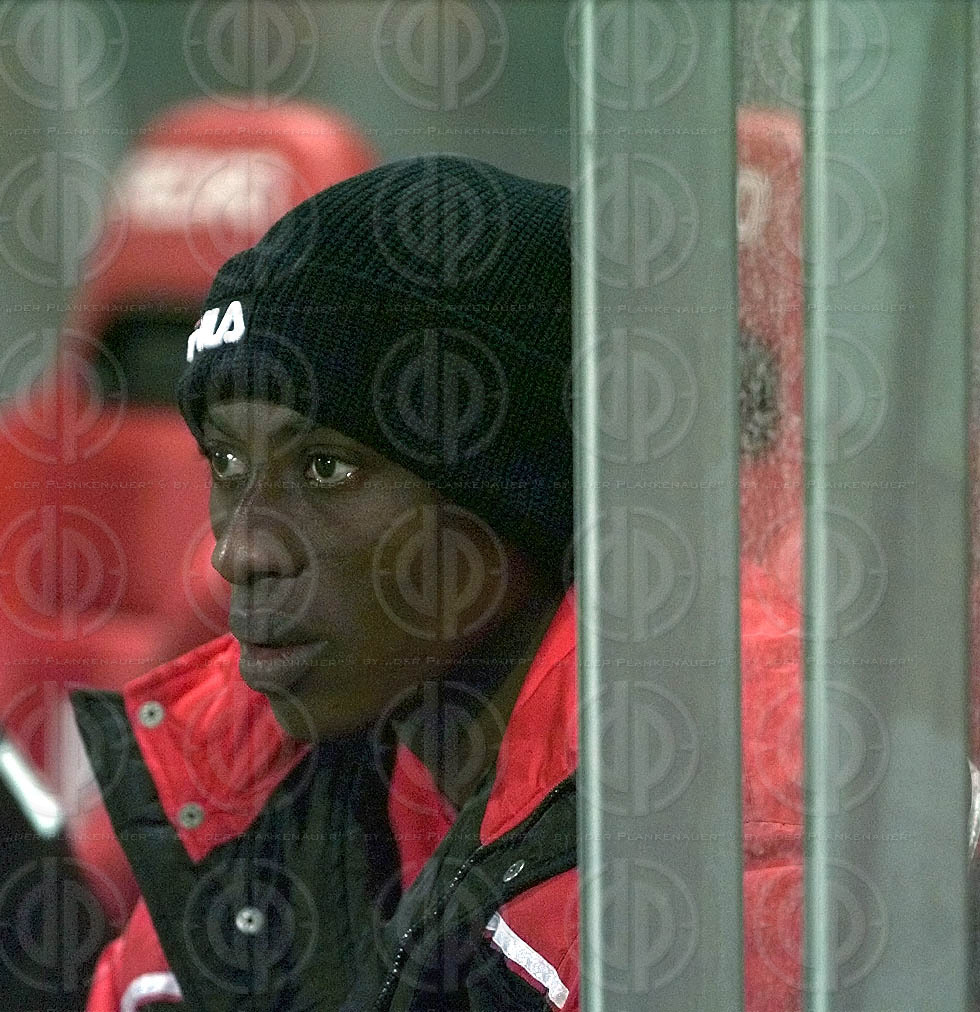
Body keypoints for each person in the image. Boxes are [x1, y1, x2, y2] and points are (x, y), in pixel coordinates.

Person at [72, 155, 804, 1011]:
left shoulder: (724, 839)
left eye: (326, 467)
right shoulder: (257, 774)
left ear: (521, 494)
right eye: (227, 463)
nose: (238, 552)